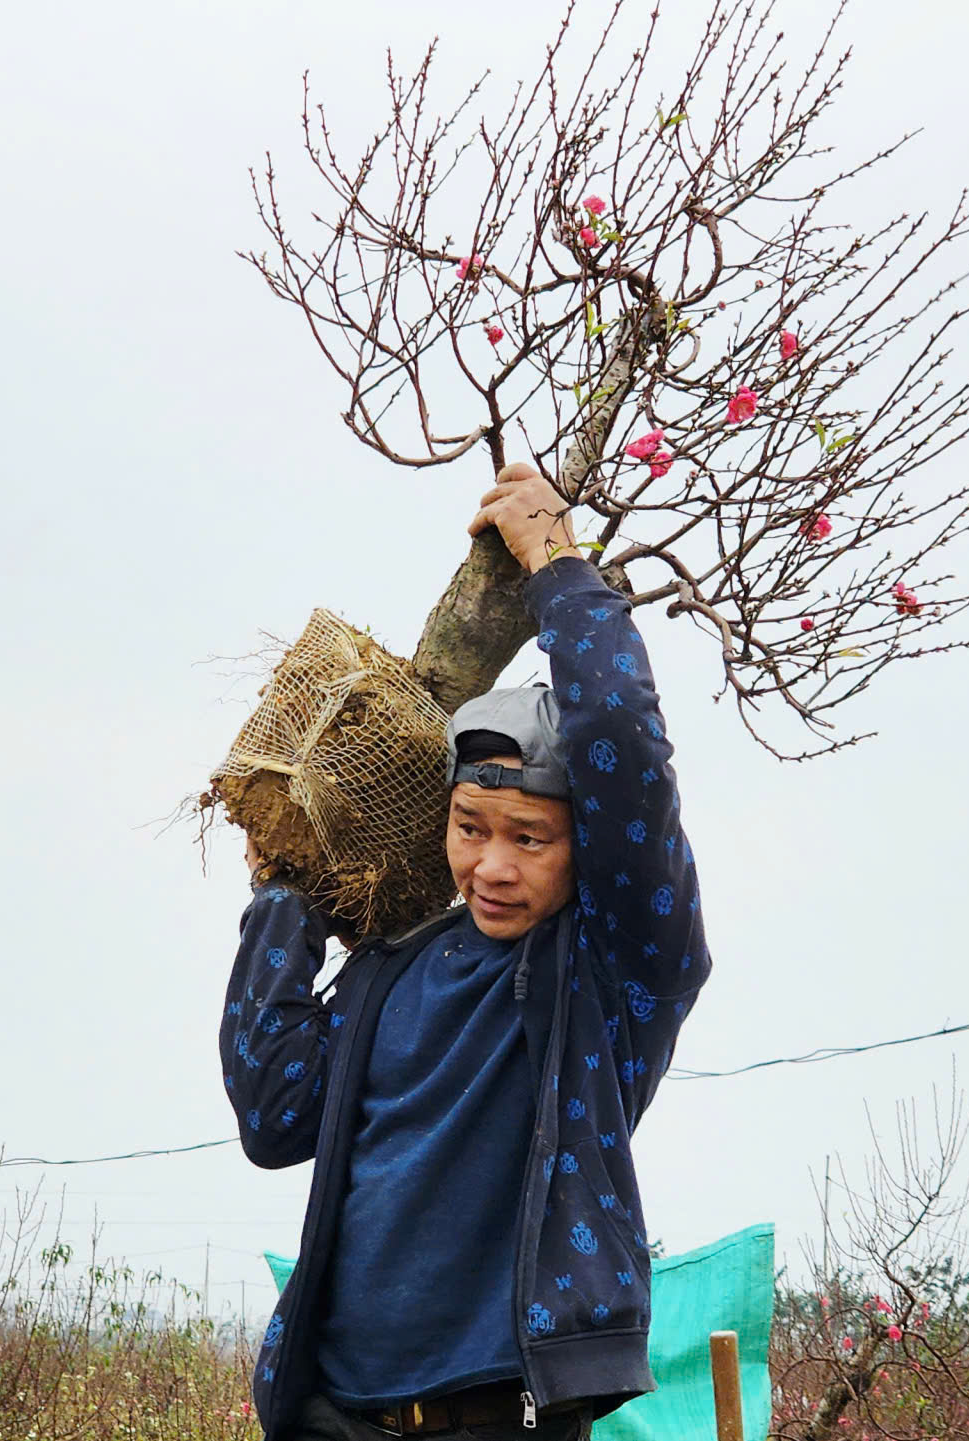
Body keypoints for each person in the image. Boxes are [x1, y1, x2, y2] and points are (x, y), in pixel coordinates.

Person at [222, 464, 712, 1440]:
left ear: (586, 845)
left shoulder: (612, 970)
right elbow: (274, 1113)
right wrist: (288, 883)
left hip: (501, 1416)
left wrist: (557, 567)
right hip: (332, 1412)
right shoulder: (395, 965)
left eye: (529, 837)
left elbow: (621, 740)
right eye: (468, 825)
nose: (490, 865)